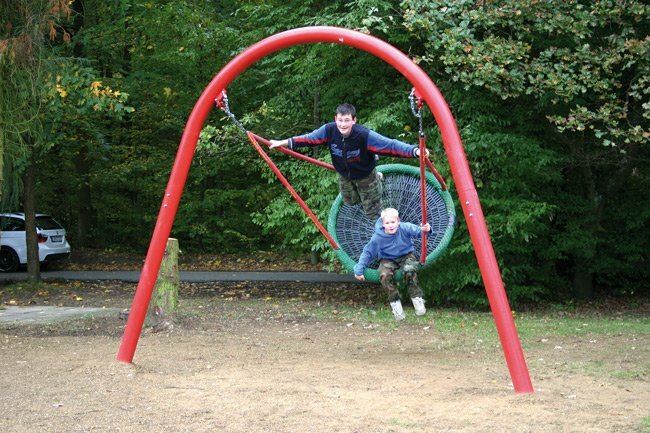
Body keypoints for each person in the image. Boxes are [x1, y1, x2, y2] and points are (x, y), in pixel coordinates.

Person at [269, 103, 427, 219]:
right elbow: (308, 139)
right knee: (350, 201)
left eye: (346, 120)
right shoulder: (329, 130)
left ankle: (375, 178)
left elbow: (390, 145)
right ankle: (375, 177)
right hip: (344, 174)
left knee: (372, 212)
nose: (343, 124)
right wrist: (281, 143)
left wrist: (415, 151)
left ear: (354, 120)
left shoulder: (363, 135)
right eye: (340, 120)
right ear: (335, 119)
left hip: (365, 175)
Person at [353, 207, 430, 321]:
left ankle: (416, 297)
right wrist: (359, 270)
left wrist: (426, 229)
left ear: (398, 221)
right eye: (387, 223)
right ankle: (395, 303)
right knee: (385, 275)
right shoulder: (378, 237)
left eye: (393, 222)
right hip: (387, 258)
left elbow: (421, 233)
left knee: (409, 271)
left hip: (406, 255)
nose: (390, 225)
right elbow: (367, 253)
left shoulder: (405, 227)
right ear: (383, 224)